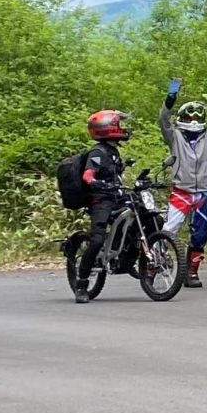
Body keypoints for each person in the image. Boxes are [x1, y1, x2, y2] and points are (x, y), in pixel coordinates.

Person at [158, 78, 207, 289]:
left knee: (200, 233)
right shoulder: (174, 136)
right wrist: (170, 98)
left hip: (204, 192)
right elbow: (163, 120)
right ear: (183, 117)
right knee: (168, 230)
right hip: (181, 191)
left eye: (198, 116)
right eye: (190, 115)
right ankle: (154, 263)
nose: (194, 119)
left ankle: (192, 272)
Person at [75, 110, 133, 302]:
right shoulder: (98, 152)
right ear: (108, 128)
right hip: (101, 200)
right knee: (97, 239)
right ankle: (82, 284)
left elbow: (114, 174)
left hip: (117, 196)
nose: (122, 128)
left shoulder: (113, 151)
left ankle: (128, 259)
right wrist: (96, 183)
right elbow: (88, 175)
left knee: (147, 216)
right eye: (118, 124)